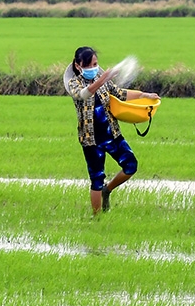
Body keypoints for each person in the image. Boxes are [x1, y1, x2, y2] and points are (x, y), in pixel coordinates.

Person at [64, 46, 160, 215]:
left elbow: (119, 93)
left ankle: (107, 190)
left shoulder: (100, 78)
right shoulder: (74, 83)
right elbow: (84, 94)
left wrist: (144, 95)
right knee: (96, 179)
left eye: (96, 63)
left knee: (131, 165)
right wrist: (102, 79)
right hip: (91, 140)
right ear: (79, 66)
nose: (94, 67)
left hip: (111, 134)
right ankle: (97, 218)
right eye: (90, 65)